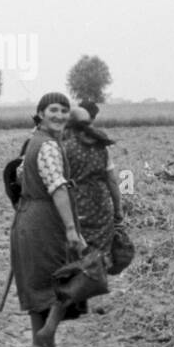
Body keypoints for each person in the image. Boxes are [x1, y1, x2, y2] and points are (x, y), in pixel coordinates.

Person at [10, 93, 86, 347]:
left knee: (37, 285)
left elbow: (17, 175)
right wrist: (70, 227)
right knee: (64, 278)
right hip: (45, 220)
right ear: (41, 113)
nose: (60, 115)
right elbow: (58, 187)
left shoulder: (32, 142)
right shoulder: (50, 146)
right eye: (53, 110)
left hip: (26, 218)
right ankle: (46, 334)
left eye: (65, 110)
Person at [62, 107, 119, 268]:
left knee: (77, 254)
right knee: (101, 253)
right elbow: (112, 182)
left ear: (70, 126)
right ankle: (99, 278)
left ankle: (80, 282)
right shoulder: (102, 146)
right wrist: (118, 209)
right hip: (101, 204)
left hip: (75, 205)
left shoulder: (64, 148)